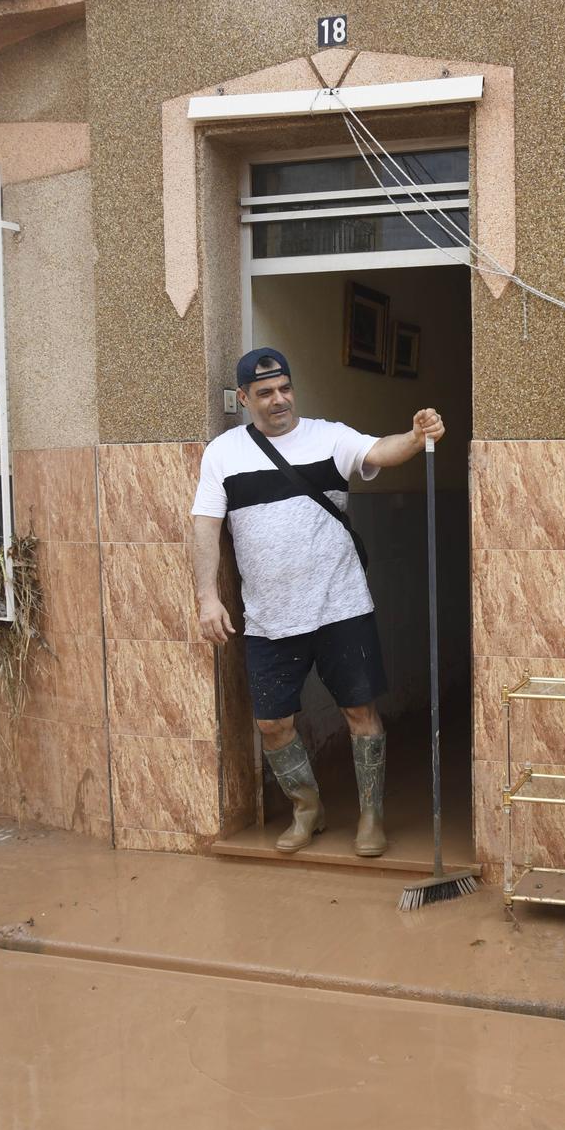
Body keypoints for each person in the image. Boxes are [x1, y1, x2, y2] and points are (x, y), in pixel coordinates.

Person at [191, 346, 445, 858]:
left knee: (360, 712)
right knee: (272, 722)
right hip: (268, 617)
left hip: (341, 607)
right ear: (244, 398)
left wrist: (416, 437)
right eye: (265, 393)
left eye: (285, 389)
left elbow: (379, 451)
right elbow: (206, 524)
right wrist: (207, 597)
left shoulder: (330, 436)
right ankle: (308, 809)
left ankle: (371, 817)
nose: (279, 400)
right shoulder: (223, 452)